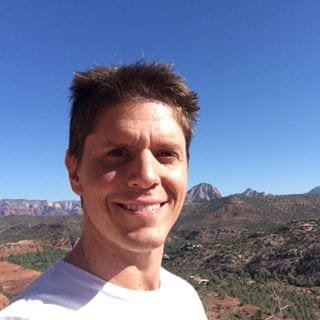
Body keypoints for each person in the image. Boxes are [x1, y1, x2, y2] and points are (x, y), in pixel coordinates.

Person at [0, 62, 208, 319]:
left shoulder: (185, 298)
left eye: (165, 154)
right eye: (117, 153)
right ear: (75, 172)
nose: (146, 176)